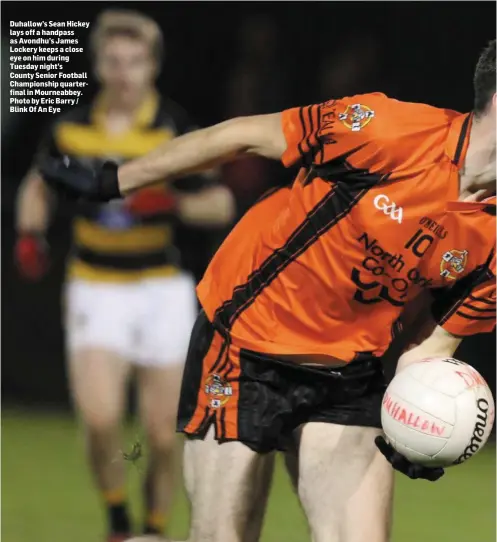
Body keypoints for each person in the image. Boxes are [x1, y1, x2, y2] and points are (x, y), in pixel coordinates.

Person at [39, 39, 495, 542]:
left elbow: (431, 346)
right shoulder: (392, 131)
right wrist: (115, 180)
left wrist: (420, 425)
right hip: (243, 350)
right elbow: (242, 136)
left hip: (346, 376)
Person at [15, 10, 234, 542]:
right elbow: (38, 184)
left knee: (162, 434)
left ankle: (153, 529)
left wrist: (172, 203)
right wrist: (29, 233)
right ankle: (118, 519)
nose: (123, 72)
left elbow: (221, 203)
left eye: (135, 61)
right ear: (98, 64)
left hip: (160, 287)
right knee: (99, 418)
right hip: (95, 283)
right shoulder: (71, 127)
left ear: (153, 66)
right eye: (113, 60)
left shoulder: (174, 129)